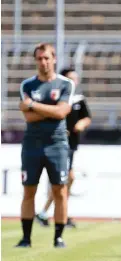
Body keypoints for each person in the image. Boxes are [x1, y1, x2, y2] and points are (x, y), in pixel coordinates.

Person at [16, 43, 74, 248]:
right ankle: (26, 238)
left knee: (60, 190)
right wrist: (49, 110)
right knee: (29, 190)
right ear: (36, 61)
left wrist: (33, 105)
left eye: (47, 58)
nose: (43, 62)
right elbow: (29, 117)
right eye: (40, 58)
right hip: (32, 144)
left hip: (57, 144)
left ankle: (58, 237)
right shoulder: (27, 85)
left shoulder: (65, 84)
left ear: (54, 59)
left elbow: (61, 113)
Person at [35, 67, 92, 229]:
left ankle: (47, 213)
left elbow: (87, 117)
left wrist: (82, 123)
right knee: (64, 179)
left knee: (65, 179)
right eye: (71, 78)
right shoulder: (56, 98)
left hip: (71, 144)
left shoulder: (78, 99)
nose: (74, 81)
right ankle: (56, 214)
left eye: (76, 78)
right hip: (58, 144)